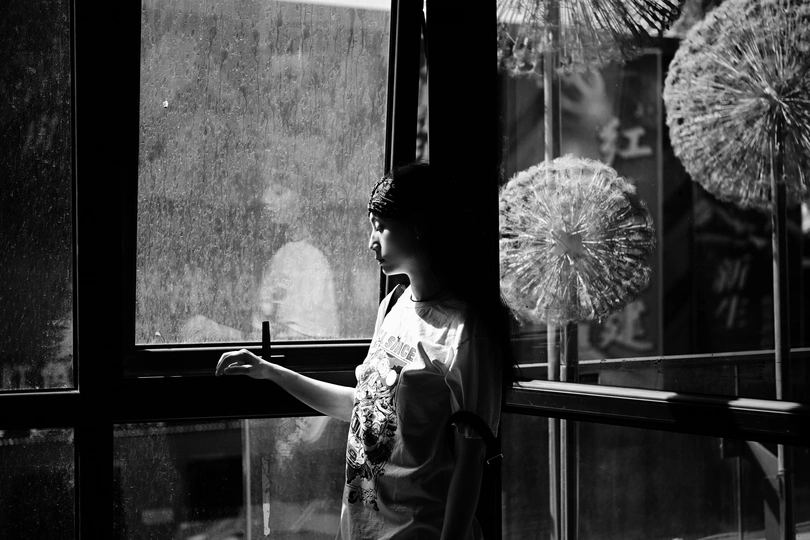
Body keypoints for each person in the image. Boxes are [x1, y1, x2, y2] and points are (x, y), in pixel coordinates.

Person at [216, 161, 518, 539]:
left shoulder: (465, 331)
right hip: (362, 530)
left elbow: (470, 464)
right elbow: (363, 407)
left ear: (418, 226)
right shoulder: (392, 306)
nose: (371, 240)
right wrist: (270, 371)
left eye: (380, 226)